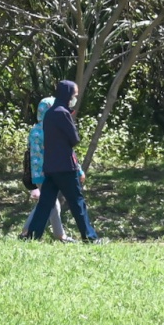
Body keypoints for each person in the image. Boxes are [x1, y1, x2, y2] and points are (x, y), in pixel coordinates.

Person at [24, 80, 101, 243]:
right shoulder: (63, 113)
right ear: (67, 94)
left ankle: (31, 236)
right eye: (74, 95)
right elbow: (74, 139)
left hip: (50, 168)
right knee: (77, 203)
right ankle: (90, 238)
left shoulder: (50, 114)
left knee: (45, 204)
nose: (75, 98)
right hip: (66, 166)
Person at [20, 96, 70, 242]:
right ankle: (57, 236)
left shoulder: (35, 130)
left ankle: (29, 232)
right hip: (48, 172)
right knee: (50, 202)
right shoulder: (50, 130)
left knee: (51, 202)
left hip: (38, 173)